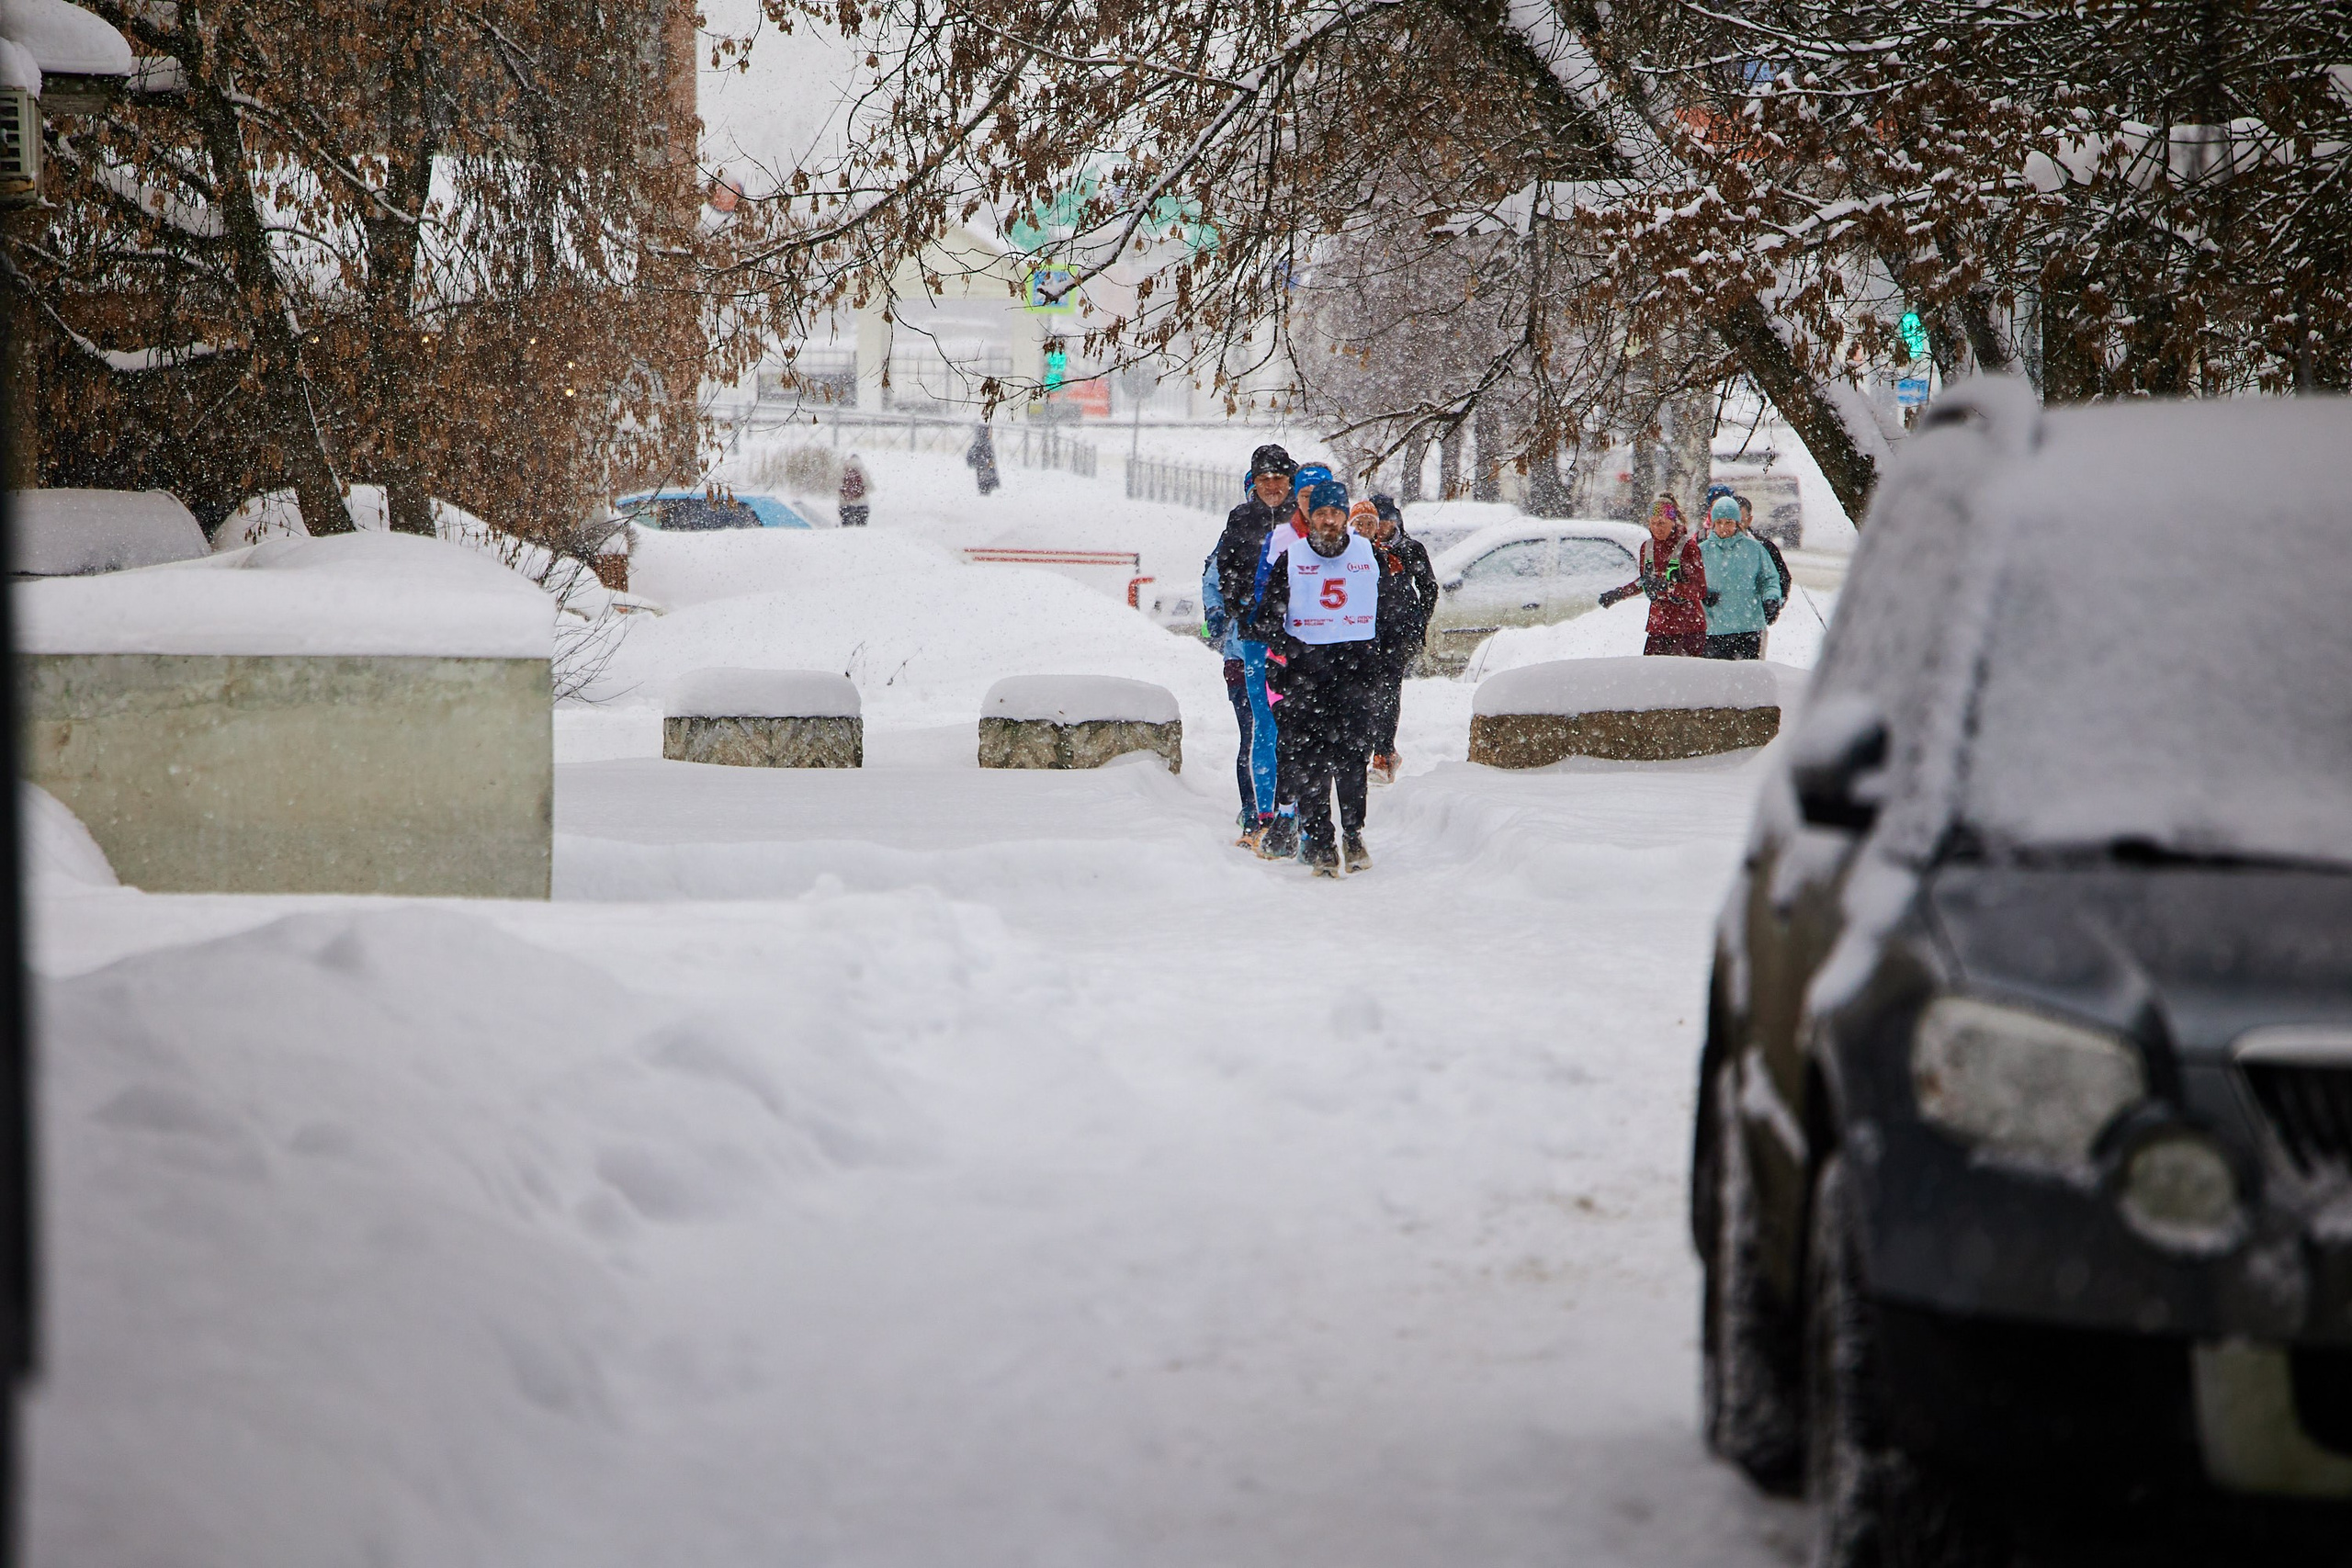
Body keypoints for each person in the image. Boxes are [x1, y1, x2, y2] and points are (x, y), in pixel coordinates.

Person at [1243, 477, 1396, 877]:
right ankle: (1322, 842)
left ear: (1347, 517)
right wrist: (1291, 649)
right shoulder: (1291, 558)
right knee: (1308, 763)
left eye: (1336, 514)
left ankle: (1353, 833)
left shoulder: (1367, 553)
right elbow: (1266, 619)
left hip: (1354, 674)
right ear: (1310, 517)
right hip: (1305, 677)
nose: (1329, 521)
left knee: (1350, 759)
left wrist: (1379, 654)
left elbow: (1390, 612)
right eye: (1322, 513)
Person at [1210, 445, 1296, 847]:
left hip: (1296, 645)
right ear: (1254, 483)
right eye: (1264, 480)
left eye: (1279, 479)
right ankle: (1254, 817)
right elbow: (1221, 569)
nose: (1272, 487)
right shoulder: (1241, 519)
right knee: (1254, 731)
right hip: (1249, 643)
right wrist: (1236, 604)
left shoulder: (1304, 522)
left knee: (1293, 734)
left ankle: (1289, 813)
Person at [1354, 493, 1437, 784]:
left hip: (1398, 634)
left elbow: (1429, 587)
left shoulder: (1411, 550)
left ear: (1397, 522)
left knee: (1388, 693)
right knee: (1363, 694)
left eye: (1387, 522)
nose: (1382, 529)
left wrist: (1418, 622)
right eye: (1377, 522)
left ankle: (1384, 753)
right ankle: (1359, 753)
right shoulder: (1358, 551)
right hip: (1364, 633)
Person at [1599, 493, 1710, 656]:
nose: (1657, 528)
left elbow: (1699, 589)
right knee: (1652, 675)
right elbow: (1645, 581)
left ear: (1673, 522)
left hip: (1688, 627)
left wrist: (1669, 586)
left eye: (1662, 523)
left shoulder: (1688, 547)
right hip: (1658, 626)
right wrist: (1620, 593)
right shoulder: (1647, 548)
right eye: (1653, 523)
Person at [1697, 494, 1782, 660]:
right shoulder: (1701, 551)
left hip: (1748, 627)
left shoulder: (1754, 549)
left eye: (1729, 522)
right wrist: (1702, 594)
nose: (1723, 528)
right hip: (1714, 629)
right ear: (1713, 523)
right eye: (1719, 522)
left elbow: (1770, 579)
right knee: (1716, 680)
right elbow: (1689, 583)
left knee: (1748, 679)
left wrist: (1771, 598)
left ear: (1737, 523)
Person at [1736, 492, 1792, 654]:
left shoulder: (1763, 547)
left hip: (1753, 623)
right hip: (1720, 626)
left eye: (1741, 519)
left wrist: (1772, 605)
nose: (1736, 524)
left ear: (1749, 520)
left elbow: (1781, 578)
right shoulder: (1710, 547)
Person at [966, 424, 1001, 495]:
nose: (991, 434)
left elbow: (970, 460)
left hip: (984, 478)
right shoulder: (984, 445)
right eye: (990, 431)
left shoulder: (981, 445)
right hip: (985, 478)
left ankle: (986, 487)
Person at [838, 455, 870, 527]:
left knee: (847, 528)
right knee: (861, 528)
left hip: (845, 504)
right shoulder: (863, 471)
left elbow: (836, 485)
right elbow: (870, 487)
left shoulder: (843, 471)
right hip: (862, 504)